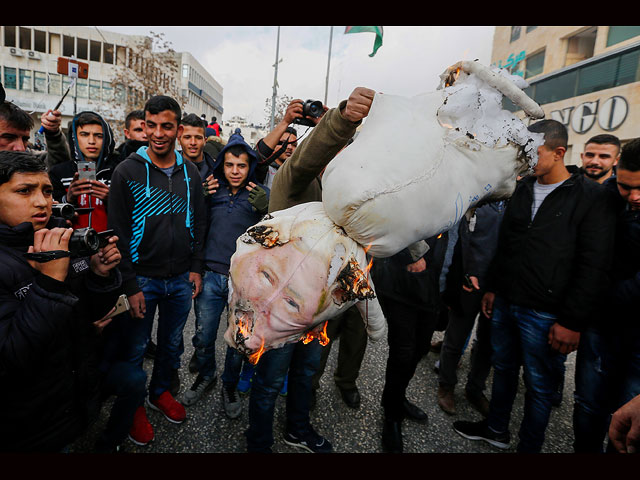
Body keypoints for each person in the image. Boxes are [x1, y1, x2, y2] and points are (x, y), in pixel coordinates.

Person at [452, 119, 616, 453]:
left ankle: (530, 447)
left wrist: (571, 322)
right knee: (504, 372)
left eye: (533, 152)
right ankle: (496, 429)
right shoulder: (523, 188)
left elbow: (593, 265)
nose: (525, 158)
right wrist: (494, 289)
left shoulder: (591, 197)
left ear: (558, 153)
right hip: (507, 303)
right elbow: (507, 244)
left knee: (539, 387)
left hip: (546, 313)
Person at [244, 87, 374, 454]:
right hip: (281, 310)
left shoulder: (339, 194)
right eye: (332, 150)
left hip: (318, 312)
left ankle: (297, 430)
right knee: (270, 381)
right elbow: (309, 155)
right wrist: (342, 119)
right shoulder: (292, 179)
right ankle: (258, 442)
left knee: (304, 376)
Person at [0, 150, 128, 452]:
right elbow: (9, 361)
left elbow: (86, 315)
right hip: (26, 427)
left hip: (68, 399)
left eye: (46, 190)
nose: (42, 202)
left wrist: (99, 275)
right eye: (24, 191)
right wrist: (48, 285)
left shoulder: (60, 238)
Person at [107, 96, 207, 437]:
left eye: (167, 126)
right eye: (152, 125)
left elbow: (199, 220)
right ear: (143, 126)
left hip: (180, 279)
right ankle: (133, 404)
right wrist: (130, 285)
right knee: (135, 347)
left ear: (178, 130)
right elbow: (117, 232)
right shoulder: (126, 171)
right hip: (142, 281)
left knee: (171, 344)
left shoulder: (190, 171)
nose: (158, 133)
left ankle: (160, 392)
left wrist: (196, 267)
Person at [181, 125, 269, 415]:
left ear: (250, 167)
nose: (235, 171)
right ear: (222, 164)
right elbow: (195, 225)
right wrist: (200, 197)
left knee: (238, 340)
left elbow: (272, 234)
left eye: (241, 165)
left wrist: (267, 208)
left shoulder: (259, 194)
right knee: (204, 336)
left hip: (243, 281)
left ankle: (229, 384)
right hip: (210, 276)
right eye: (229, 164)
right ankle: (206, 375)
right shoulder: (211, 188)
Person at [572, 137, 640, 453]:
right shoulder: (607, 197)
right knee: (588, 405)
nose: (635, 196)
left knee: (629, 421)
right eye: (627, 187)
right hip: (601, 325)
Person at [371, 234, 448, 453]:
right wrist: (412, 255)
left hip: (436, 284)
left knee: (420, 349)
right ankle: (392, 416)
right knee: (402, 352)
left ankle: (396, 397)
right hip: (405, 282)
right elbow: (397, 220)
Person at [437, 200, 505, 417]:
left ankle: (475, 390)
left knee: (487, 345)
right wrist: (461, 275)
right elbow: (459, 241)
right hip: (468, 283)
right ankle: (446, 386)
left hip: (496, 287)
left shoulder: (519, 199)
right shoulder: (479, 197)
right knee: (455, 339)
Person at [49, 111, 119, 233]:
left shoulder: (119, 171)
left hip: (111, 245)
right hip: (70, 245)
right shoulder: (58, 173)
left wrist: (112, 200)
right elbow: (49, 215)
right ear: (74, 138)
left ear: (107, 138)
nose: (91, 141)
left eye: (99, 135)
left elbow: (133, 212)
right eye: (84, 134)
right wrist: (68, 199)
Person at [0, 87, 69, 167]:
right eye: (8, 137)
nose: (21, 148)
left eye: (25, 139)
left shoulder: (28, 160)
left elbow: (59, 165)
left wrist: (53, 134)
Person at [254, 100, 303, 189]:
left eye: (294, 145)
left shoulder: (298, 172)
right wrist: (285, 121)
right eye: (283, 143)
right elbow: (260, 154)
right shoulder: (264, 170)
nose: (289, 147)